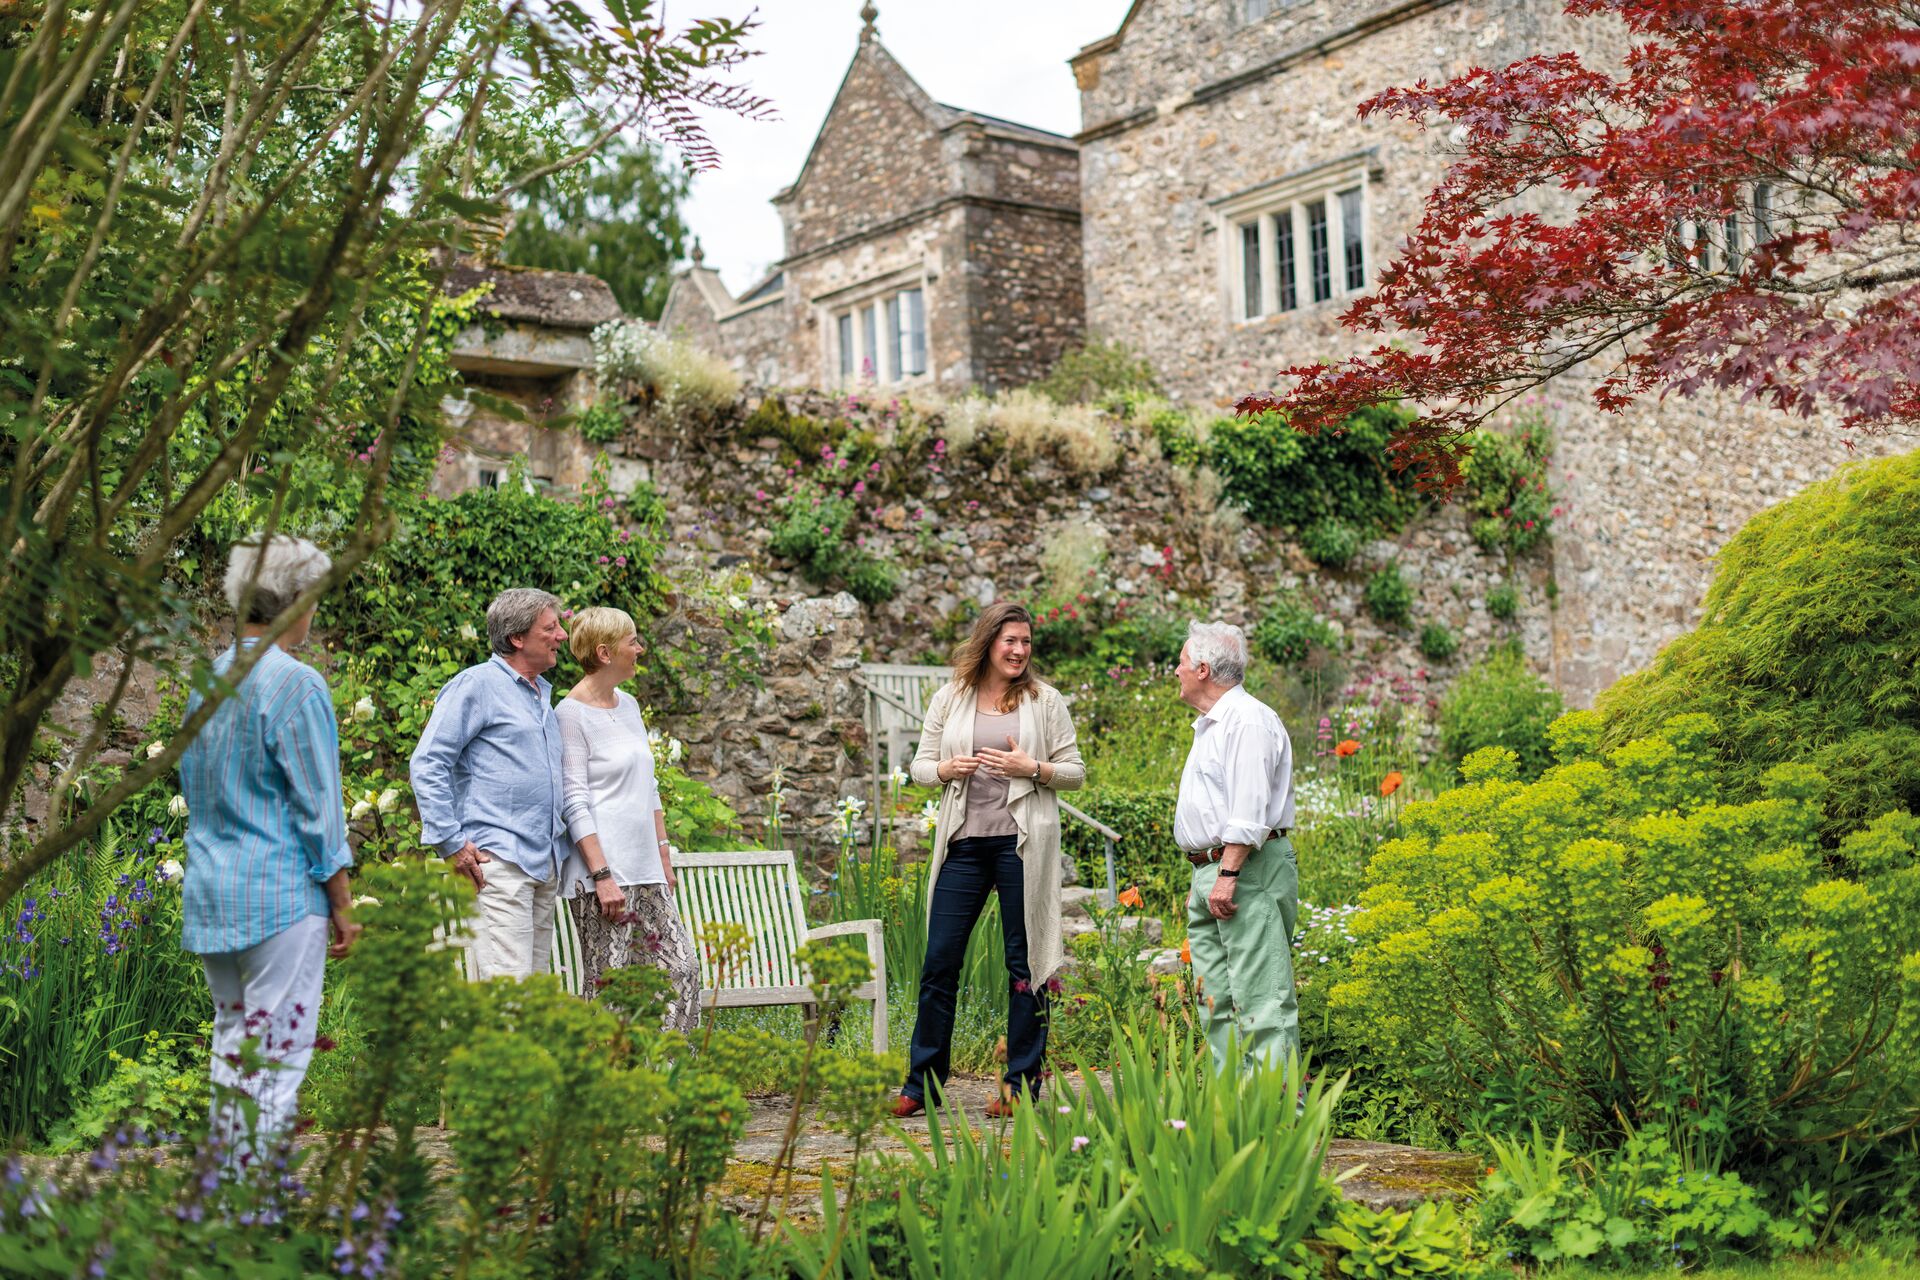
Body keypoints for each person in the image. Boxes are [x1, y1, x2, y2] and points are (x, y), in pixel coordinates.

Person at [178, 534, 360, 1160]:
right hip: (281, 896)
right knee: (277, 1059)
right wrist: (342, 900)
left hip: (211, 891)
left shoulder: (206, 680)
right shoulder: (297, 684)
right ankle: (248, 1212)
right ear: (296, 600)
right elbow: (318, 807)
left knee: (233, 1047)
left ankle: (227, 1195)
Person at [893, 601, 1086, 1119]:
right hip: (964, 843)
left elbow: (1075, 771)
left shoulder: (1045, 701)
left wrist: (1034, 767)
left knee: (1025, 967)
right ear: (989, 643)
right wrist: (945, 768)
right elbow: (919, 766)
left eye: (1026, 642)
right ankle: (921, 1085)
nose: (1020, 651)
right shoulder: (951, 697)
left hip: (1021, 844)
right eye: (1010, 641)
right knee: (939, 963)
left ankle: (1019, 1086)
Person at [410, 588, 569, 980]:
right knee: (508, 996)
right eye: (551, 627)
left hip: (541, 865)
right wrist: (450, 841)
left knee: (529, 997)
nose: (562, 635)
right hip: (498, 864)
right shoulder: (476, 685)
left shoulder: (539, 694)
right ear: (517, 638)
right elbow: (428, 761)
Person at [555, 606, 701, 1031]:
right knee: (611, 988)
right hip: (604, 876)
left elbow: (648, 786)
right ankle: (609, 1089)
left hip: (647, 870)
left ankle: (669, 1079)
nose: (640, 649)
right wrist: (601, 875)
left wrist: (664, 856)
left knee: (681, 970)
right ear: (604, 652)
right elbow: (574, 801)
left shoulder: (631, 704)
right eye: (632, 641)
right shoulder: (570, 715)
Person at [1172, 620, 1299, 1075]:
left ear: (1203, 669)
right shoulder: (1212, 725)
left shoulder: (1247, 721)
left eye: (1182, 662)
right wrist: (1204, 875)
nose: (1177, 670)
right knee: (1215, 1002)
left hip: (1247, 871)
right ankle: (1234, 1115)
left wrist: (1226, 875)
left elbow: (1248, 811)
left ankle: (1279, 1123)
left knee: (1262, 998)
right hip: (1215, 871)